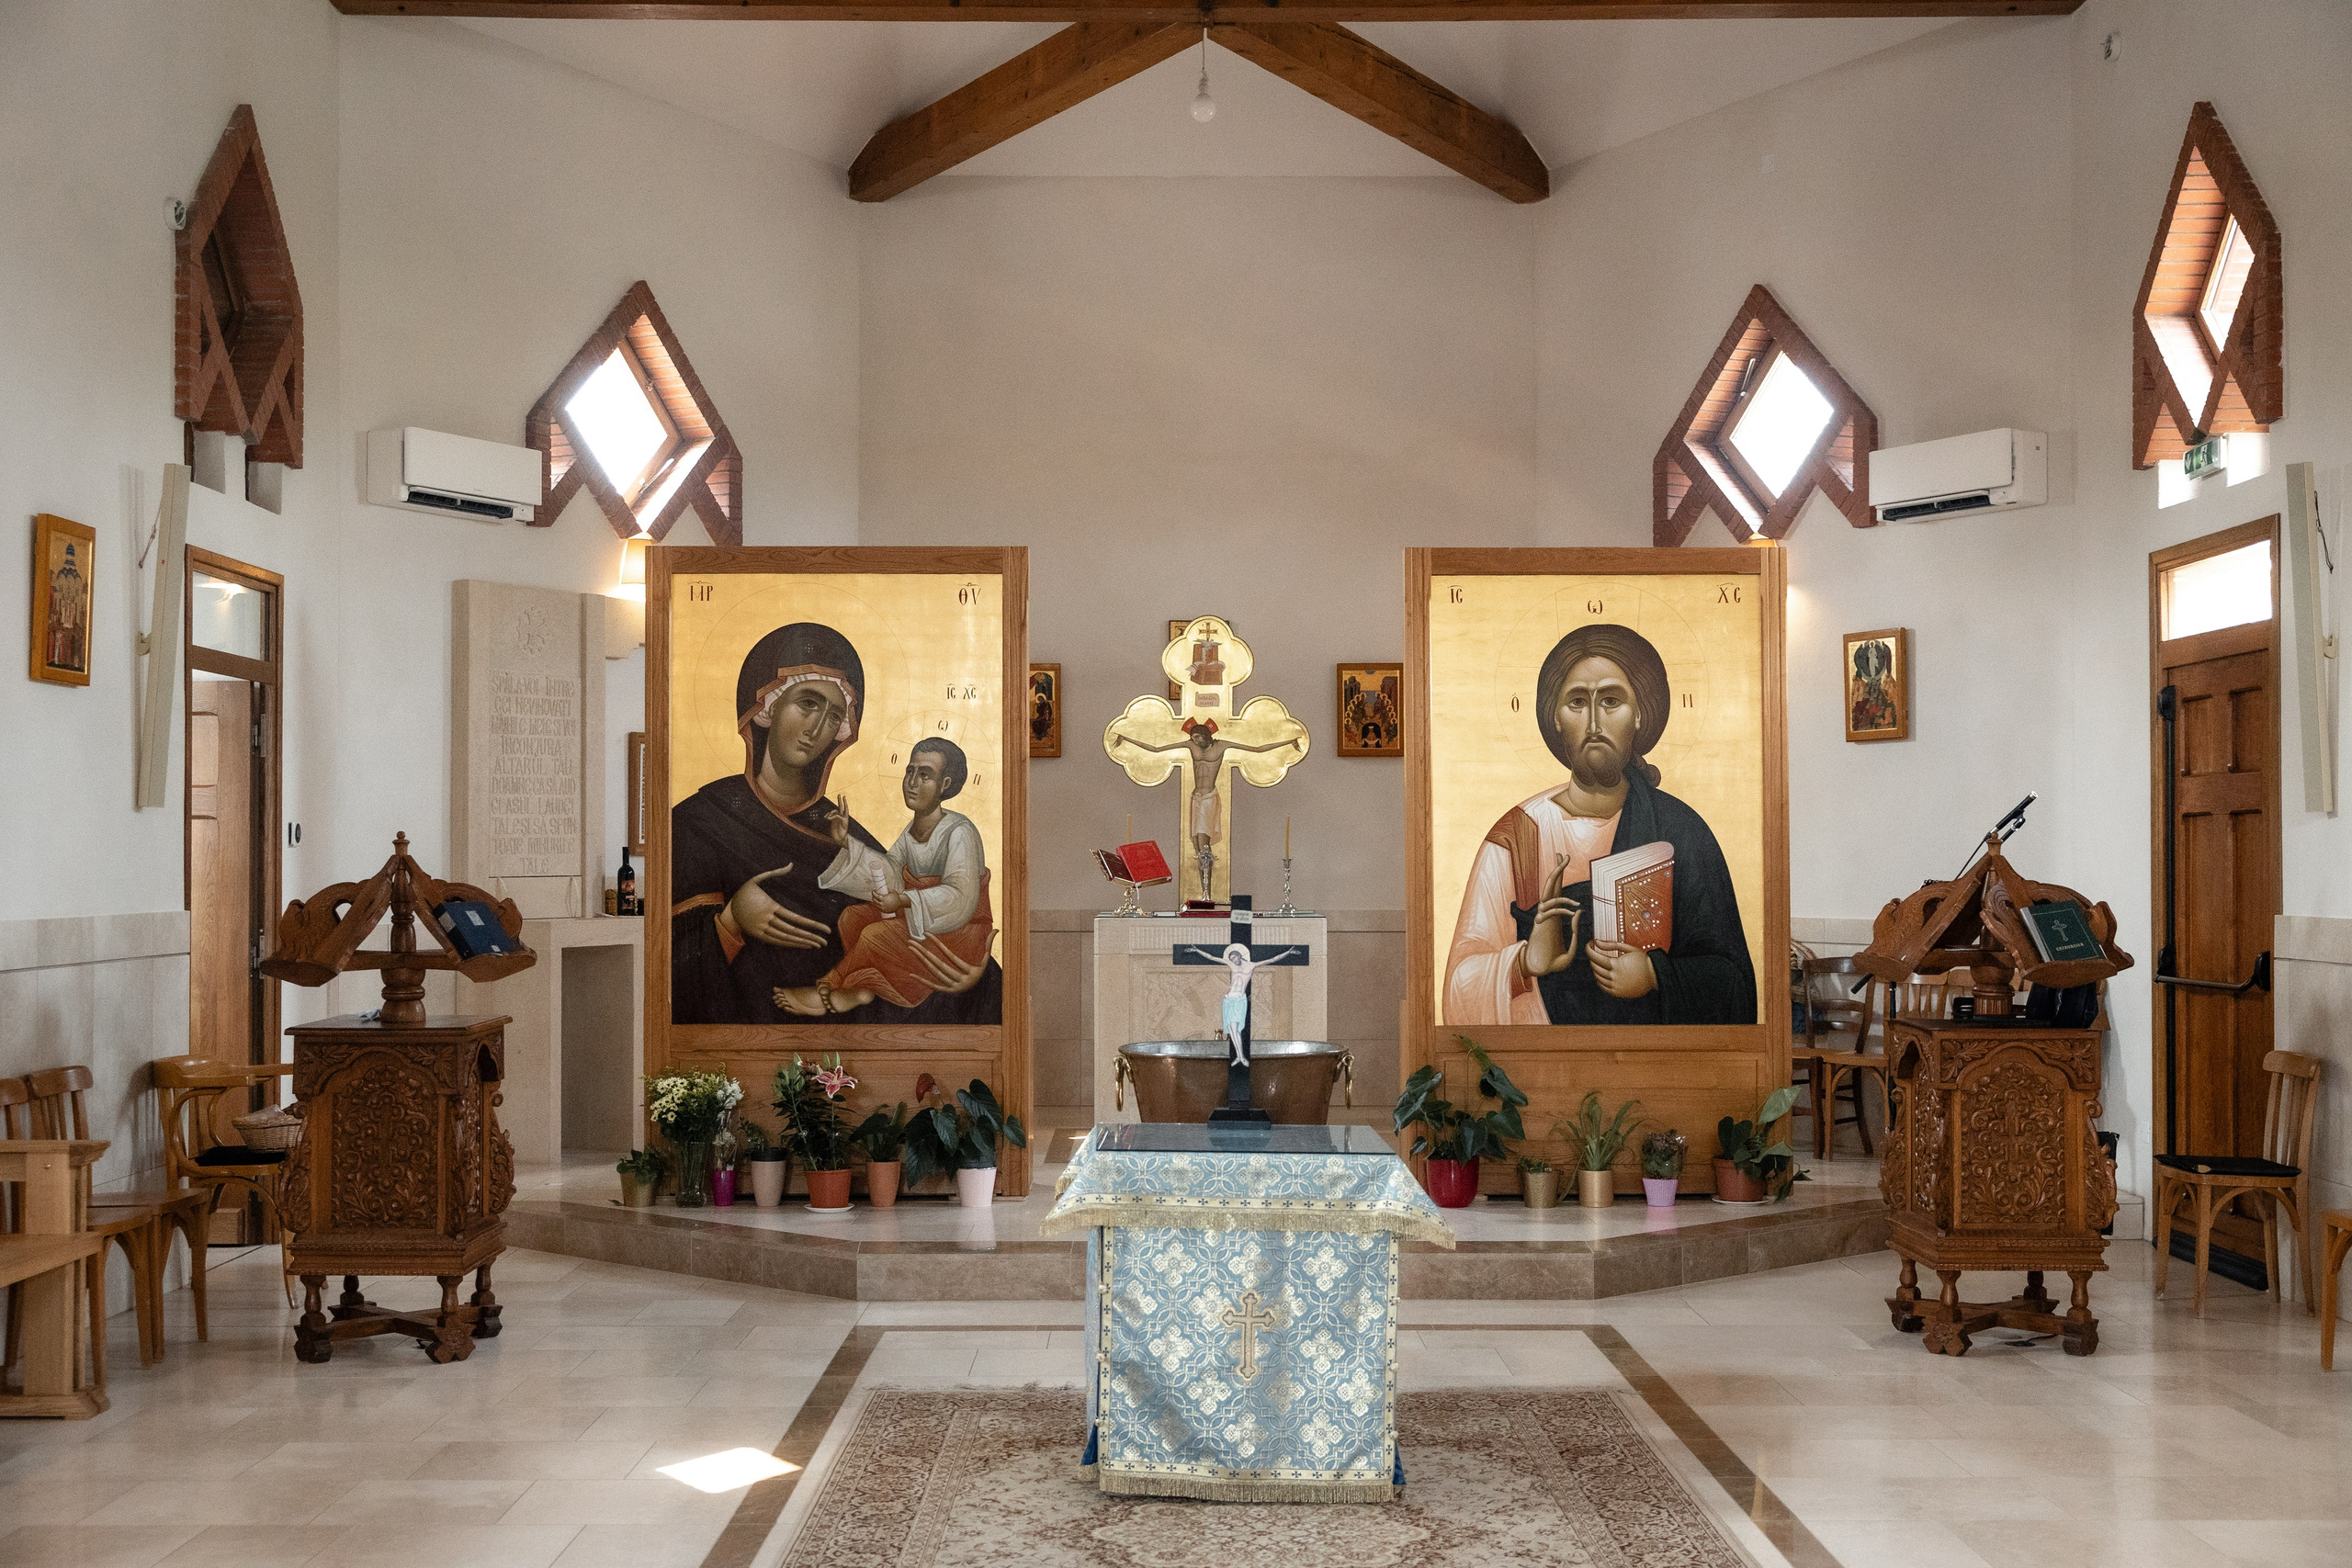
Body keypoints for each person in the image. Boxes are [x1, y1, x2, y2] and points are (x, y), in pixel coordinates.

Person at [669, 623, 995, 1025]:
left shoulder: (840, 830)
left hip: (849, 1041)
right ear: (767, 707)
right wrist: (733, 918)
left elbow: (912, 924)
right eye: (807, 703)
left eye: (833, 715)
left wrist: (974, 981)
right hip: (749, 1037)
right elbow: (670, 965)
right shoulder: (700, 821)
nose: (817, 728)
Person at [1443, 622, 1755, 1026]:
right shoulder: (1517, 836)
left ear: (1639, 715)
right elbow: (1457, 987)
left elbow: (1734, 982)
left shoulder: (1681, 831)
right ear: (1555, 717)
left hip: (1654, 1057)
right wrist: (1524, 962)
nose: (1594, 723)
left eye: (1611, 701)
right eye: (1577, 702)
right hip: (1542, 1057)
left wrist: (1655, 975)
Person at [772, 738, 994, 1016]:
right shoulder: (912, 830)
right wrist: (845, 841)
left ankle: (829, 987)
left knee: (875, 935)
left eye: (925, 775)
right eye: (910, 771)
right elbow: (891, 871)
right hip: (925, 920)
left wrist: (903, 900)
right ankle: (864, 988)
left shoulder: (960, 831)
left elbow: (960, 898)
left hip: (959, 935)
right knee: (852, 918)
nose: (912, 782)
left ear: (945, 785)